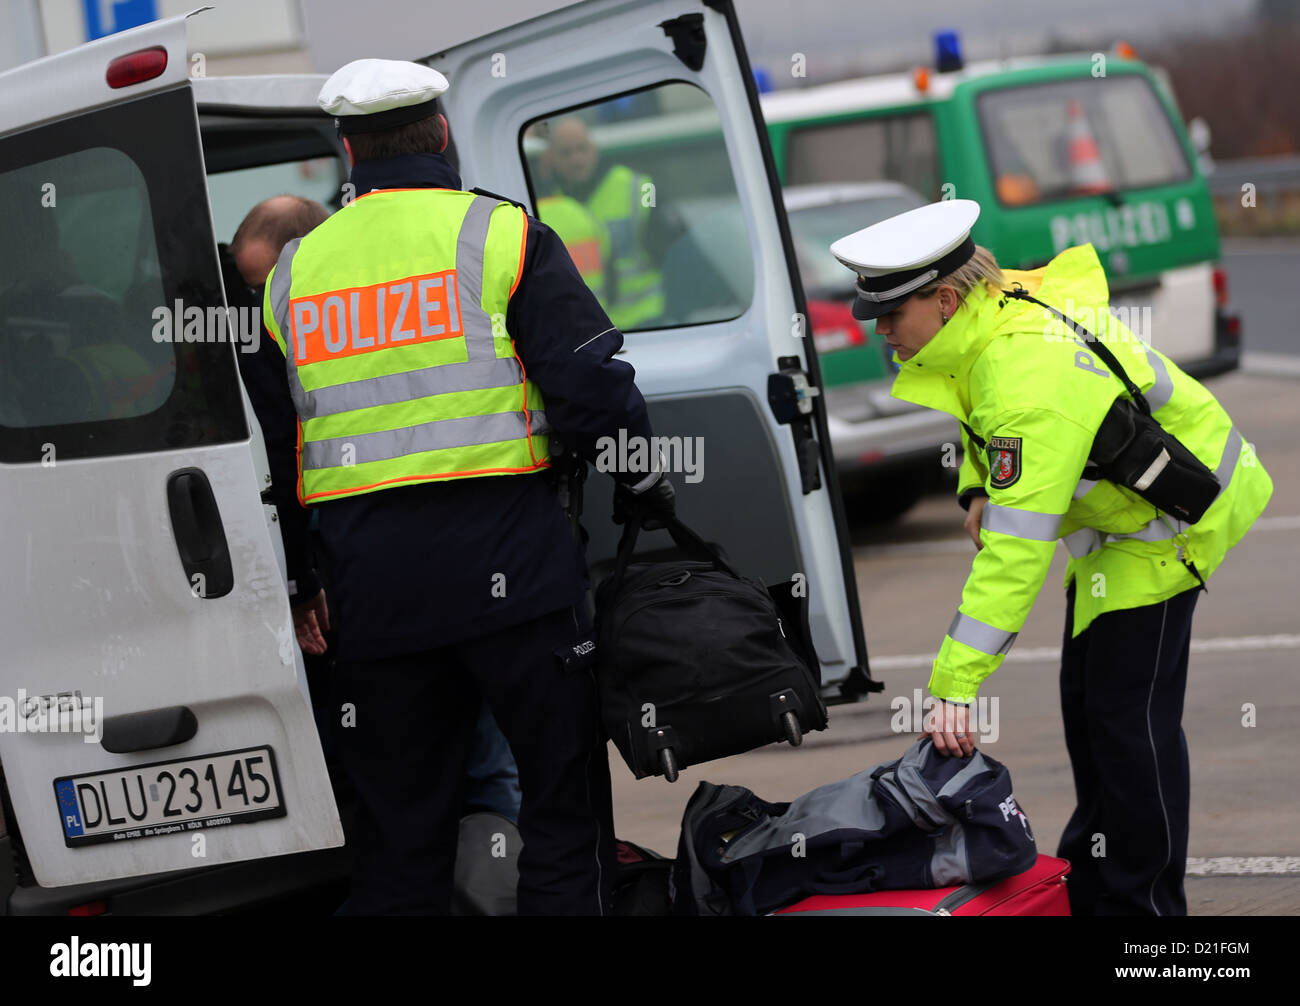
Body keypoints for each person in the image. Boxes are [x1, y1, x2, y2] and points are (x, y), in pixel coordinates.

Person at [259, 58, 674, 915]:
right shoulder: (503, 237)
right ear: (441, 133)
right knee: (561, 805)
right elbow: (593, 392)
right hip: (513, 578)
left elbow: (276, 449)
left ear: (348, 148)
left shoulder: (294, 273)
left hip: (372, 596)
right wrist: (644, 491)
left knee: (400, 830)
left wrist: (303, 582)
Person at [830, 199, 1272, 916]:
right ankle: (1099, 891)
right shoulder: (990, 314)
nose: (882, 332)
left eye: (890, 315)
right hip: (1119, 537)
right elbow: (980, 411)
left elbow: (1015, 554)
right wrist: (978, 486)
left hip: (1167, 533)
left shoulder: (1024, 382)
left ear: (944, 299)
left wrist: (953, 685)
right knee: (1091, 716)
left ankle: (1148, 918)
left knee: (1130, 736)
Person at [543, 117, 671, 329]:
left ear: (594, 149)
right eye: (566, 153)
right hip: (589, 330)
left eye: (582, 149)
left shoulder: (640, 188)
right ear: (551, 159)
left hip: (646, 321)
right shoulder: (549, 205)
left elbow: (675, 254)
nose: (577, 159)